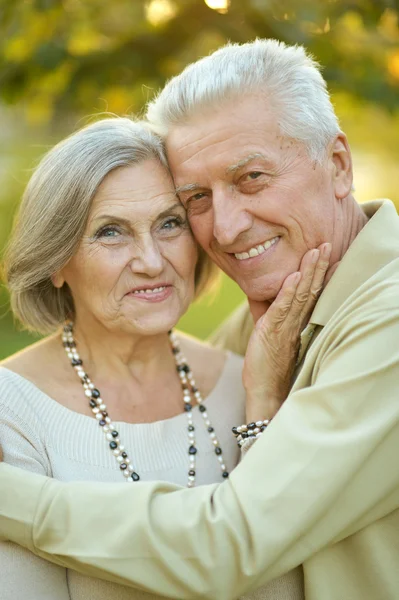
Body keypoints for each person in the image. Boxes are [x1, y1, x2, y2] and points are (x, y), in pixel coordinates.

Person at [1, 38, 399, 600]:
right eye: (197, 199)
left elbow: (231, 544)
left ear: (338, 165)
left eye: (252, 177)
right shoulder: (282, 316)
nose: (229, 227)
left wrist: (13, 499)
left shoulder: (388, 323)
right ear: (57, 259)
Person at [0, 116, 248, 600]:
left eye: (169, 223)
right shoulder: (11, 411)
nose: (152, 261)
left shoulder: (248, 388)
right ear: (56, 261)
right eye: (111, 232)